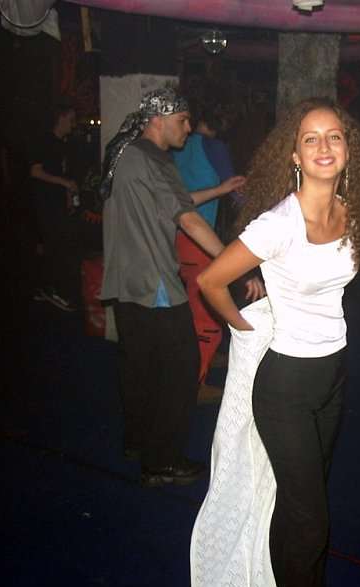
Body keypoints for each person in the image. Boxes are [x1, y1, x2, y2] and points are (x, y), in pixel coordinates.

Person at [193, 98, 360, 587]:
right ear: (295, 155)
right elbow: (211, 281)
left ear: (348, 149)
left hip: (333, 376)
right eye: (311, 138)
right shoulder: (278, 223)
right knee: (311, 520)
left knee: (299, 505)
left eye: (334, 136)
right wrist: (243, 329)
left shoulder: (349, 211)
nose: (324, 146)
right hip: (286, 389)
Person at [98, 87, 263, 488]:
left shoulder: (129, 154)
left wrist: (219, 191)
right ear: (159, 120)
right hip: (154, 281)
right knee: (182, 368)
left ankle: (137, 440)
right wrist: (237, 267)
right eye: (182, 120)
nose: (188, 128)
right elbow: (188, 219)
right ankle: (162, 461)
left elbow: (175, 200)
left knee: (138, 365)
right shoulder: (155, 158)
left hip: (124, 280)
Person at [173, 103, 247, 403]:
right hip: (199, 237)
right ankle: (197, 383)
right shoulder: (214, 147)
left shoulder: (177, 145)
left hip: (175, 235)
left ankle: (207, 358)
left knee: (195, 305)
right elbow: (235, 191)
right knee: (207, 313)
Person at [29, 103, 80, 311]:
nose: (74, 124)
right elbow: (35, 171)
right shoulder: (44, 141)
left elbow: (63, 173)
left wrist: (68, 195)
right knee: (56, 248)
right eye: (71, 119)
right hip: (45, 203)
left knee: (54, 246)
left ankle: (43, 288)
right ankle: (55, 290)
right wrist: (64, 183)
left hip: (57, 203)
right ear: (61, 118)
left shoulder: (63, 144)